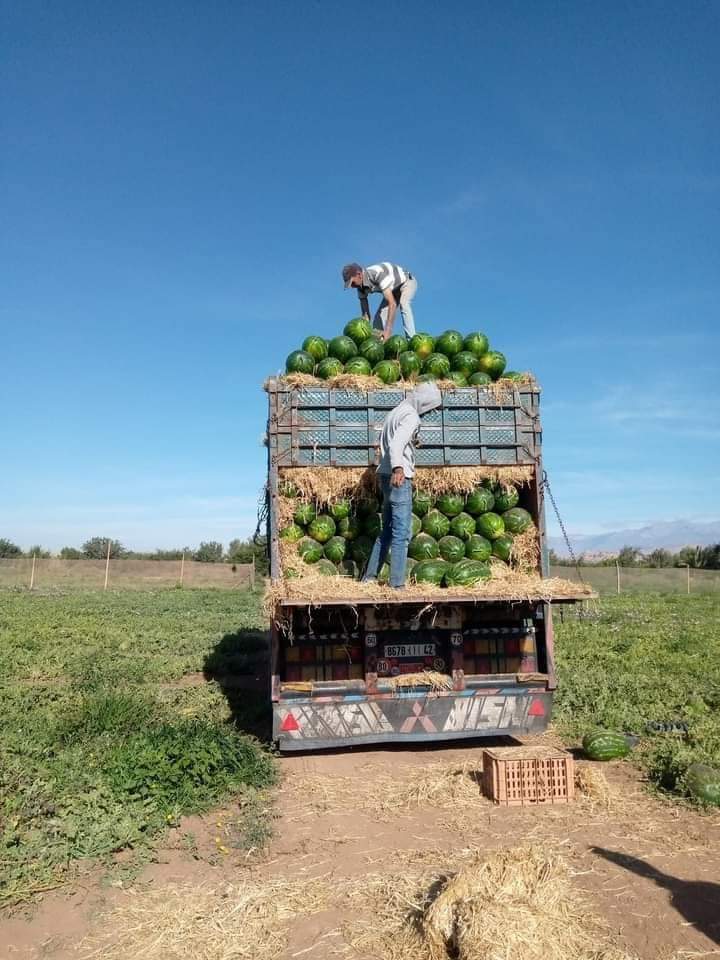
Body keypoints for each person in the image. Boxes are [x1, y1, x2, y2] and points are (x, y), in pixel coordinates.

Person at [363, 381, 442, 589]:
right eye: (430, 407)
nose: (428, 412)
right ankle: (397, 585)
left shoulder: (397, 411)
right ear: (424, 402)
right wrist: (399, 467)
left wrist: (412, 443)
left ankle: (369, 578)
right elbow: (396, 443)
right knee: (401, 533)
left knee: (387, 531)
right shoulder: (411, 416)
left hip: (385, 475)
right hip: (399, 478)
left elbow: (389, 439)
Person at [342, 261, 417, 340]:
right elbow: (365, 316)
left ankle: (411, 339)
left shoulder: (376, 274)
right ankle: (378, 343)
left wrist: (388, 331)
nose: (353, 287)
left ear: (359, 274)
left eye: (352, 283)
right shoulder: (360, 288)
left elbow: (392, 304)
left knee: (404, 303)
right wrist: (364, 335)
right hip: (392, 290)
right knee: (378, 318)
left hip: (406, 282)